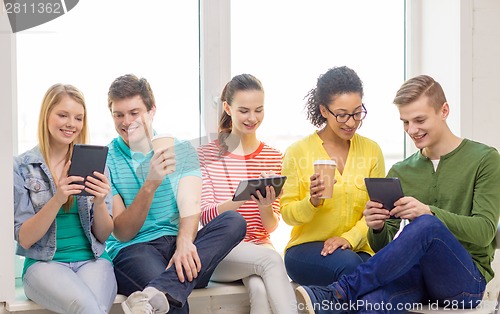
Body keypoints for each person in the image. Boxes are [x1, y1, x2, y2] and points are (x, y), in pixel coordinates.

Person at [295, 74, 500, 314]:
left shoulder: (485, 159)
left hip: (464, 283)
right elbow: (384, 247)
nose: (412, 130)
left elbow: (485, 231)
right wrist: (377, 226)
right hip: (416, 276)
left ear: (444, 111)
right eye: (405, 122)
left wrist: (429, 212)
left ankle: (339, 292)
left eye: (419, 120)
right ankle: (343, 295)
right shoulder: (401, 170)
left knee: (427, 225)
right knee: (368, 306)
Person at [105, 74, 246, 314]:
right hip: (136, 250)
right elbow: (123, 232)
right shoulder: (108, 159)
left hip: (178, 248)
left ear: (151, 111)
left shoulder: (181, 150)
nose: (127, 122)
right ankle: (164, 289)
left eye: (134, 112)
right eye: (119, 114)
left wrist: (184, 243)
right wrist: (150, 184)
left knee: (234, 221)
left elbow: (190, 205)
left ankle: (155, 291)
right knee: (174, 304)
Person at [197, 73, 298, 314]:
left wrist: (265, 205)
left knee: (260, 289)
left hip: (259, 246)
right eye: (244, 110)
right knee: (271, 261)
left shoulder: (273, 156)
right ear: (227, 108)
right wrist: (240, 197)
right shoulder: (207, 155)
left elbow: (271, 227)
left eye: (259, 110)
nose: (252, 118)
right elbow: (206, 218)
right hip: (221, 250)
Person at [13, 84, 117, 313]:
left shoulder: (96, 164)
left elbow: (103, 234)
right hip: (44, 265)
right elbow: (25, 238)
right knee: (89, 308)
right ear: (46, 116)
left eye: (78, 118)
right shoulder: (21, 167)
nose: (71, 124)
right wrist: (57, 199)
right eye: (63, 115)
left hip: (93, 260)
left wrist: (99, 202)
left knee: (94, 309)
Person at [280, 66, 385, 286]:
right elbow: (287, 214)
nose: (351, 122)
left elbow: (376, 211)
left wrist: (348, 239)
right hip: (306, 249)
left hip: (356, 247)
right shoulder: (298, 152)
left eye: (357, 112)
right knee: (351, 268)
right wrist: (312, 202)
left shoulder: (372, 151)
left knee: (378, 272)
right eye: (342, 114)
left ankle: (319, 303)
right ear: (324, 111)